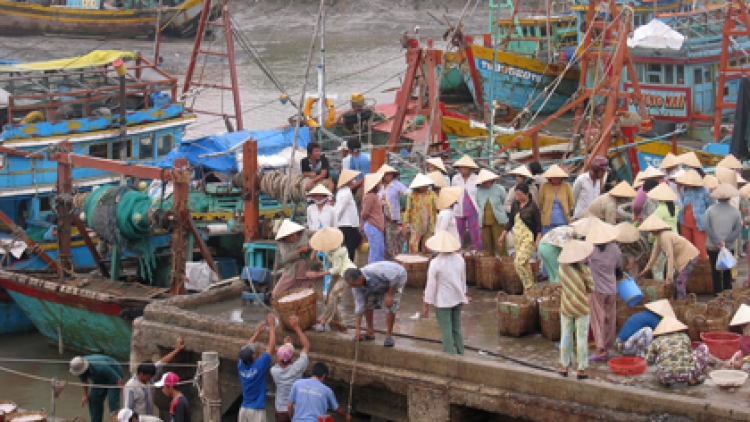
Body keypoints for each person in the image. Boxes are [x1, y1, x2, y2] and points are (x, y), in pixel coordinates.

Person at [422, 230, 468, 354]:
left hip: (443, 301)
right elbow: (463, 280)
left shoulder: (435, 263)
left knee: (446, 329)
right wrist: (464, 295)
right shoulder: (459, 259)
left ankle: (449, 355)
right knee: (457, 327)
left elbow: (431, 286)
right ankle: (461, 352)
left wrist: (426, 303)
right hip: (457, 297)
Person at [344, 261, 407, 347]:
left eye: (355, 284)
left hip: (397, 278)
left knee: (390, 305)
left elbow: (394, 277)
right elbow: (359, 305)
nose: (354, 287)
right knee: (368, 303)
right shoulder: (356, 287)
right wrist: (357, 329)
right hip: (376, 285)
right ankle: (370, 332)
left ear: (361, 278)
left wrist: (389, 294)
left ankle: (389, 336)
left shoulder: (375, 271)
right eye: (352, 285)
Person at [557, 239, 595, 379]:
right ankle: (581, 369)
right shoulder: (585, 270)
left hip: (566, 305)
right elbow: (591, 288)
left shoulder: (562, 269)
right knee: (581, 338)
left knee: (566, 335)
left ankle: (564, 367)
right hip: (582, 307)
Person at [586, 219, 621, 361]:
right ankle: (607, 345)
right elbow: (618, 267)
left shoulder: (590, 250)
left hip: (596, 289)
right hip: (612, 289)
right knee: (610, 319)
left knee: (597, 319)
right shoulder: (615, 250)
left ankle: (600, 349)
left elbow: (581, 262)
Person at [307, 227, 353, 333]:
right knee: (328, 299)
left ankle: (324, 322)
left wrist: (318, 274)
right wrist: (315, 250)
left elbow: (336, 269)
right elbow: (314, 260)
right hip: (336, 276)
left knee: (333, 296)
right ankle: (341, 325)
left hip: (345, 275)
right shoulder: (329, 251)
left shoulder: (340, 251)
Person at [497, 183, 542, 292]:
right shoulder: (515, 205)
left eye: (520, 195)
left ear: (527, 194)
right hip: (518, 237)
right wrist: (503, 235)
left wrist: (537, 240)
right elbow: (511, 221)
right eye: (517, 195)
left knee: (519, 262)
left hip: (528, 238)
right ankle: (531, 287)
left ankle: (528, 286)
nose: (518, 197)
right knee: (525, 264)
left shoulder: (533, 207)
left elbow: (538, 226)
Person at [124, 338, 185, 417]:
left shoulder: (149, 374)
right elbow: (128, 409)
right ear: (141, 374)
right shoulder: (131, 386)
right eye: (148, 376)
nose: (150, 378)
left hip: (150, 417)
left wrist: (177, 349)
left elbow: (162, 362)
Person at [646, 316, 709, 386]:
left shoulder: (656, 341)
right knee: (703, 347)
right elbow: (689, 354)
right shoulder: (684, 337)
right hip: (687, 375)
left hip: (666, 376)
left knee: (659, 356)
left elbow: (649, 361)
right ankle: (693, 380)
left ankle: (664, 381)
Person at [238, 313, 277, 422]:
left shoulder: (241, 364)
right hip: (257, 410)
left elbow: (246, 349)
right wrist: (272, 327)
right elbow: (271, 348)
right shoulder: (259, 366)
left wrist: (257, 333)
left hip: (244, 408)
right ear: (254, 356)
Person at [705, 183, 743, 295]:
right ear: (730, 197)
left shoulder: (710, 210)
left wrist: (717, 242)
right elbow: (737, 229)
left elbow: (707, 228)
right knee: (727, 270)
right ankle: (727, 291)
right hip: (728, 246)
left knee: (715, 270)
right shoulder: (736, 212)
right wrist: (726, 242)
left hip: (712, 246)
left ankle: (717, 292)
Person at [271, 316, 310, 422]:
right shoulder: (297, 368)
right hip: (295, 410)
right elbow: (306, 346)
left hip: (281, 411)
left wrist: (285, 346)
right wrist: (297, 328)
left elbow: (279, 360)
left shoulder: (275, 371)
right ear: (292, 357)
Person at [69, 354, 125, 422]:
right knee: (93, 399)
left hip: (114, 376)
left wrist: (125, 394)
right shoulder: (79, 368)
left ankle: (116, 420)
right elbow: (84, 381)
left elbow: (119, 381)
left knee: (112, 401)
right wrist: (85, 395)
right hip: (99, 378)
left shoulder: (100, 367)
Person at [273, 220, 317, 298]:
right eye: (288, 237)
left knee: (307, 297)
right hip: (291, 273)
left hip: (307, 272)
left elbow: (320, 235)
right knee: (276, 294)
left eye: (293, 235)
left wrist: (312, 248)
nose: (291, 239)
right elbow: (286, 257)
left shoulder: (304, 233)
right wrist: (300, 250)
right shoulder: (282, 242)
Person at [677, 169, 712, 259]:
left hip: (699, 223)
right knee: (688, 247)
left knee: (701, 248)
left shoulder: (705, 191)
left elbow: (709, 206)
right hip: (684, 222)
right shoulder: (683, 190)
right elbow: (680, 204)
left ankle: (704, 269)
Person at [378, 164, 410, 259]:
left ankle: (394, 256)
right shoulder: (379, 186)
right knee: (384, 240)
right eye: (387, 174)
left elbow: (407, 192)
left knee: (393, 239)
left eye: (391, 174)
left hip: (392, 218)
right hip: (380, 217)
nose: (389, 177)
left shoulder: (396, 184)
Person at [451, 155, 482, 249]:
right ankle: (457, 252)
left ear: (470, 168)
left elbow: (479, 194)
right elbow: (453, 193)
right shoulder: (455, 179)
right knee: (458, 232)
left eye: (466, 167)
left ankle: (478, 252)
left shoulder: (476, 178)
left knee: (476, 232)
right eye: (462, 167)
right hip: (458, 208)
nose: (464, 169)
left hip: (473, 209)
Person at [475, 169, 508, 257]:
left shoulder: (499, 188)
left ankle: (504, 264)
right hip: (484, 222)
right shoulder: (479, 191)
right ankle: (490, 265)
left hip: (498, 221)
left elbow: (505, 201)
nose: (486, 183)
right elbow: (478, 203)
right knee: (487, 247)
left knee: (500, 246)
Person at [402, 173, 437, 253]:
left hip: (429, 223)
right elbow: (408, 210)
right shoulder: (412, 195)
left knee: (427, 245)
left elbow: (437, 206)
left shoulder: (431, 194)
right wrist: (405, 223)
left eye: (425, 185)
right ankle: (414, 262)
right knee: (413, 245)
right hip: (416, 224)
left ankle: (425, 261)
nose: (424, 186)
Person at [334, 169, 362, 261]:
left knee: (350, 245)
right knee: (350, 247)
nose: (354, 181)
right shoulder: (346, 192)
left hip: (346, 223)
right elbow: (340, 209)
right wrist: (335, 222)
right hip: (347, 224)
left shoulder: (342, 192)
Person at [539, 165, 574, 235]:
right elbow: (541, 202)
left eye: (557, 177)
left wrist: (567, 210)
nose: (556, 179)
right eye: (553, 177)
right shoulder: (544, 186)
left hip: (563, 218)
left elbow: (571, 202)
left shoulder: (567, 186)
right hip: (548, 220)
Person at [360, 172, 386, 263]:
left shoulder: (374, 196)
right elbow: (364, 213)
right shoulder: (370, 196)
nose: (380, 185)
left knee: (379, 249)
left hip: (375, 225)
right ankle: (373, 270)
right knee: (376, 251)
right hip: (373, 225)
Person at [728, 304, 750, 369]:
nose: (745, 330)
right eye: (744, 328)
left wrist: (743, 361)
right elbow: (743, 351)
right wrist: (734, 358)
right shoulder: (743, 338)